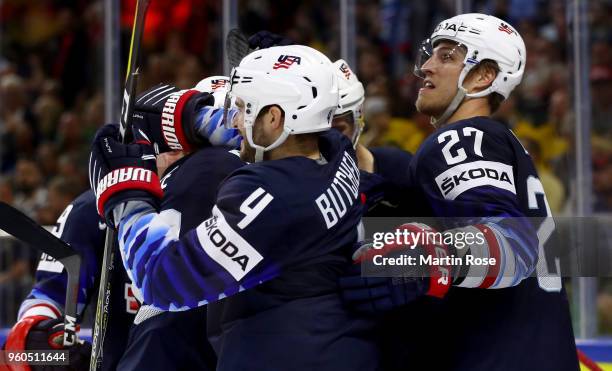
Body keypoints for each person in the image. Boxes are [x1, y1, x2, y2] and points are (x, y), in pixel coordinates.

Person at [88, 45, 378, 370]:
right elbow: (252, 130)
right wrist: (191, 117)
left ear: (274, 117)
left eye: (242, 108)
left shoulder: (266, 198)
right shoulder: (336, 151)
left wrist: (126, 190)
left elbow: (161, 282)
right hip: (336, 346)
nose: (235, 120)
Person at [339, 13, 578, 370]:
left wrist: (425, 260)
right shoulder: (493, 141)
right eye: (432, 54)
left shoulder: (461, 138)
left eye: (448, 56)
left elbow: (513, 242)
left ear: (484, 76)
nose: (426, 67)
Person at [2, 76, 243, 371]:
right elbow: (20, 348)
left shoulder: (256, 213)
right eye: (170, 141)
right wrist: (49, 351)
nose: (173, 155)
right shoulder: (93, 210)